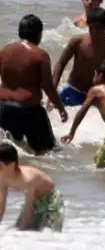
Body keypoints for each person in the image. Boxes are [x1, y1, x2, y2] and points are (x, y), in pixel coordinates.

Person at [0, 15, 67, 155]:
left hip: (4, 108)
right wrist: (61, 108)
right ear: (39, 34)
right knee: (50, 153)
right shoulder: (40, 55)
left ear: (20, 32)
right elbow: (47, 86)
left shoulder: (4, 50)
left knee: (9, 150)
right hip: (29, 111)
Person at [50, 8, 105, 107]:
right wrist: (51, 94)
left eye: (98, 29)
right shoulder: (77, 42)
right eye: (91, 28)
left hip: (96, 94)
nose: (94, 32)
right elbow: (61, 64)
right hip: (73, 91)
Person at [0, 142, 65, 231]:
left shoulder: (27, 180)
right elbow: (1, 203)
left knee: (49, 233)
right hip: (35, 201)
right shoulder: (3, 178)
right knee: (17, 229)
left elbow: (28, 208)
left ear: (12, 165)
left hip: (52, 200)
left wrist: (22, 231)